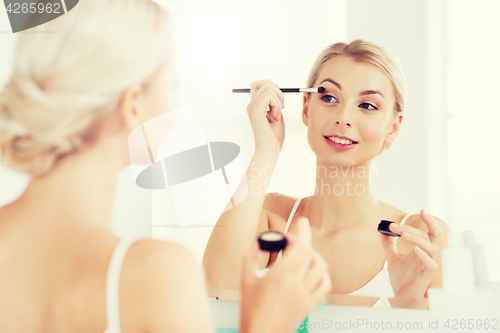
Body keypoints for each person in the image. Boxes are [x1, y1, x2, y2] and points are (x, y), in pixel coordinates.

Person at [0, 1, 332, 332]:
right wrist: (268, 322)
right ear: (131, 105)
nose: (173, 107)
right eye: (169, 88)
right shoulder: (156, 275)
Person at [203, 40, 451, 308]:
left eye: (367, 105)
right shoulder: (270, 218)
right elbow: (215, 294)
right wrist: (266, 150)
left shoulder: (418, 237)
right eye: (329, 97)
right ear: (306, 107)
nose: (343, 117)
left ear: (393, 126)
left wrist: (407, 304)